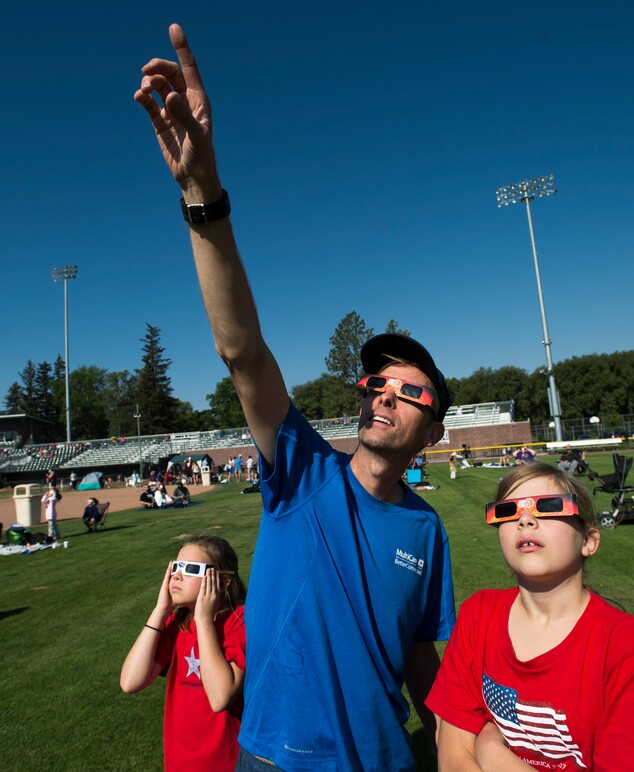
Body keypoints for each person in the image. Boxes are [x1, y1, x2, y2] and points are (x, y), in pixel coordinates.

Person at [135, 25, 456, 769]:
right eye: (376, 381)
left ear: (433, 431)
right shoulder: (301, 474)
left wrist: (447, 741)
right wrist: (202, 196)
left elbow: (417, 655)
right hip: (274, 758)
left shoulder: (428, 531)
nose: (384, 395)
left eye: (410, 391)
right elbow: (241, 349)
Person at [425, 462, 634, 770]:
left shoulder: (628, 649)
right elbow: (452, 750)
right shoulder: (477, 616)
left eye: (548, 507)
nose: (526, 519)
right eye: (507, 511)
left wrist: (490, 749)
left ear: (588, 541)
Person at [120, 535, 246, 770]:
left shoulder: (239, 621)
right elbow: (130, 682)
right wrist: (160, 610)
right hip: (178, 763)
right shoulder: (177, 622)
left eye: (190, 568)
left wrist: (204, 620)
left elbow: (220, 697)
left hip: (225, 763)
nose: (177, 575)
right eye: (176, 566)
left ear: (224, 580)